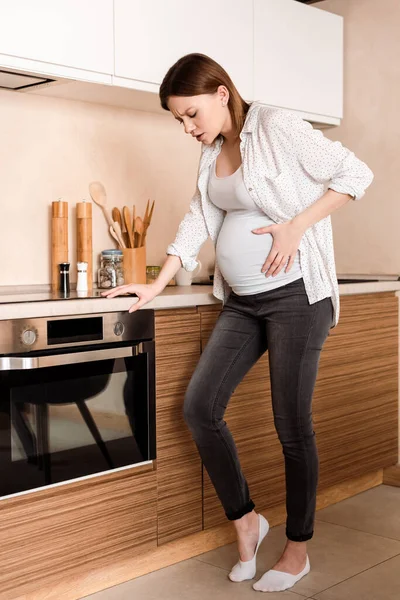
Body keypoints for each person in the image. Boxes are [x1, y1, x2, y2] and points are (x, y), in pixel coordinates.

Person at [102, 53, 374, 593]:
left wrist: (296, 227)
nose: (188, 128)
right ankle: (247, 520)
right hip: (244, 303)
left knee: (291, 427)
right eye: (179, 120)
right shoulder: (212, 151)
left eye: (192, 113)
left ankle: (297, 550)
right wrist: (158, 280)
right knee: (200, 409)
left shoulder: (275, 125)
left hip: (297, 296)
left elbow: (356, 173)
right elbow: (201, 213)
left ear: (222, 93)